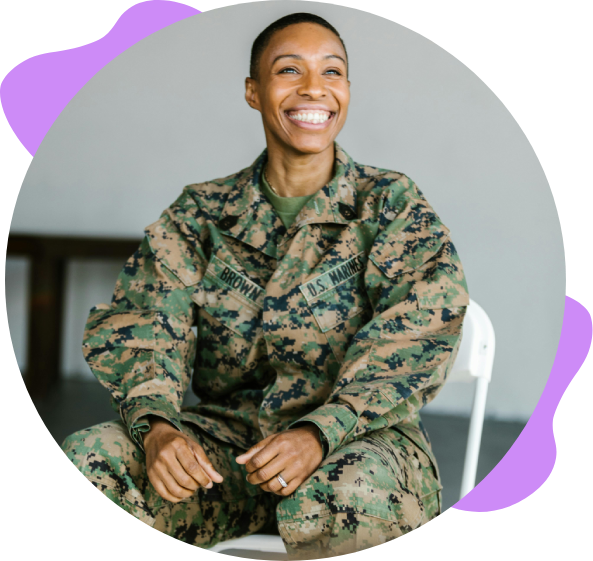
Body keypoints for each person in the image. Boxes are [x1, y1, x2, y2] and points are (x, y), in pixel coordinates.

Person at [61, 12, 469, 559]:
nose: (313, 89)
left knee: (346, 493)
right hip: (231, 453)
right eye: (288, 70)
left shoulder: (390, 205)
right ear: (254, 92)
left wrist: (320, 432)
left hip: (359, 445)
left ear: (347, 90)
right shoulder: (201, 215)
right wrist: (156, 426)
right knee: (89, 460)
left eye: (332, 71)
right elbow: (146, 322)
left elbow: (416, 333)